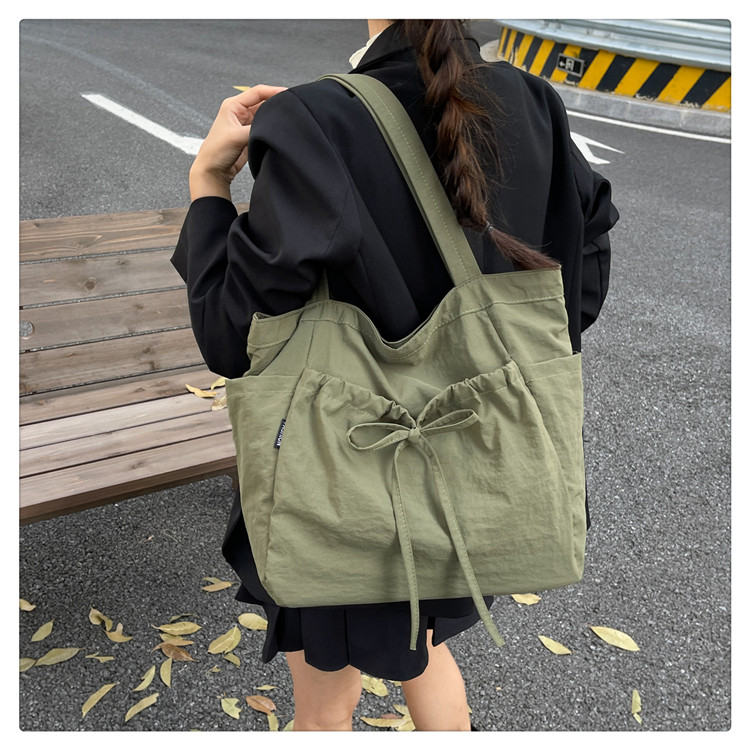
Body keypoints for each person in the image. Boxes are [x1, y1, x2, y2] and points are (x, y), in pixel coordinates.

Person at [171, 19, 618, 731]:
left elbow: (232, 338)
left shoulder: (315, 118)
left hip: (334, 489)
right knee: (425, 644)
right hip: (476, 485)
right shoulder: (533, 101)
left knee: (326, 711)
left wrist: (208, 183)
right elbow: (579, 280)